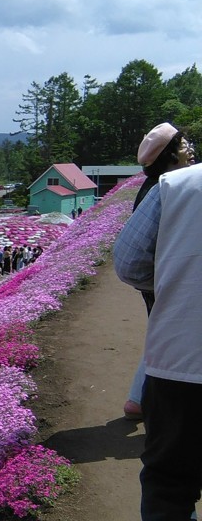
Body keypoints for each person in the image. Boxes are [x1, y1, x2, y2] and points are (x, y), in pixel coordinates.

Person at [113, 132, 201, 520]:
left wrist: (174, 284)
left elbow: (129, 262)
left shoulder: (175, 187)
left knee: (170, 484)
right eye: (185, 144)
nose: (191, 148)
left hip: (184, 361)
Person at [123, 123, 195, 421]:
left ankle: (137, 398)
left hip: (159, 279)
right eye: (183, 145)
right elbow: (132, 257)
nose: (190, 149)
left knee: (160, 331)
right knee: (168, 336)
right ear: (169, 155)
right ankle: (142, 400)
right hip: (163, 280)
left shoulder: (155, 186)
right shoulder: (165, 188)